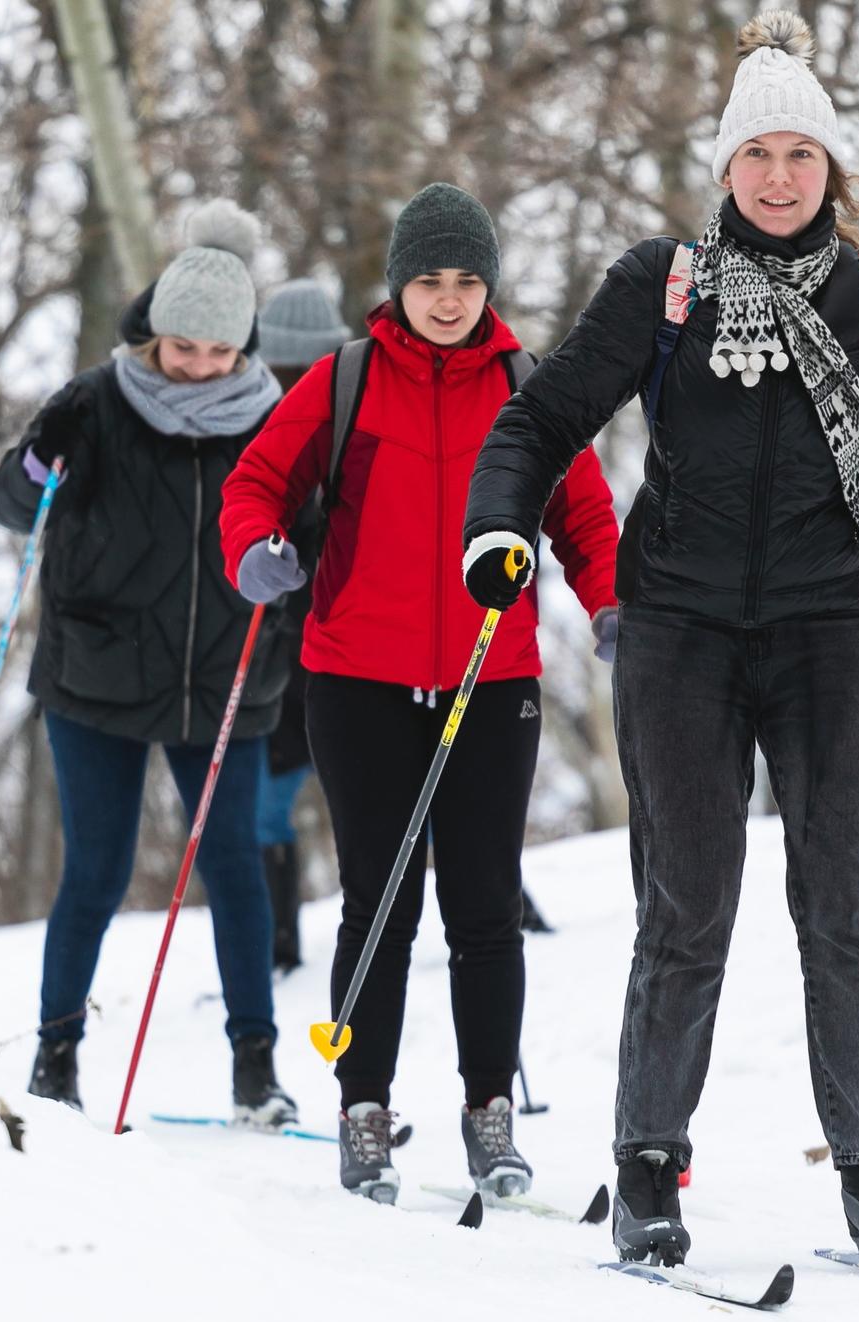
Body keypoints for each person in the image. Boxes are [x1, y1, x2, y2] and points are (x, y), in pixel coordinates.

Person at [462, 13, 859, 1264]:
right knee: (685, 906)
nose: (781, 177)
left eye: (803, 155)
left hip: (824, 633)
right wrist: (495, 529)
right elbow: (538, 422)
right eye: (759, 155)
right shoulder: (663, 284)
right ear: (726, 168)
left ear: (832, 171)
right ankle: (648, 1168)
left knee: (847, 903)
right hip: (678, 632)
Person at [221, 184, 621, 1205]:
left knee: (483, 906)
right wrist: (254, 554)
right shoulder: (342, 379)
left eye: (466, 280)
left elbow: (583, 514)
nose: (447, 299)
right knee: (379, 901)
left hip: (491, 679)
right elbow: (254, 483)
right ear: (397, 285)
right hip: (356, 678)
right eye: (428, 280)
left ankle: (488, 1109)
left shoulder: (528, 386)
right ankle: (364, 1108)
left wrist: (612, 603)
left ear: (488, 285)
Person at [0, 201, 296, 1126]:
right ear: (155, 334)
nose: (199, 366)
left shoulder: (274, 416)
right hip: (98, 677)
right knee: (98, 867)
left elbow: (315, 524)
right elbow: (12, 503)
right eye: (182, 348)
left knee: (235, 863)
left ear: (242, 347)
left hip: (225, 677)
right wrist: (36, 468)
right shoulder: (94, 401)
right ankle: (56, 1056)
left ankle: (255, 1067)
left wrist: (296, 563)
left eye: (218, 351)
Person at [249, 278, 356, 973]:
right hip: (276, 659)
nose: (294, 384)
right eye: (282, 370)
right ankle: (276, 944)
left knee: (414, 793)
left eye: (309, 368)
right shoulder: (253, 432)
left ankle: (508, 907)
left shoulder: (357, 424)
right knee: (266, 802)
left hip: (353, 648)